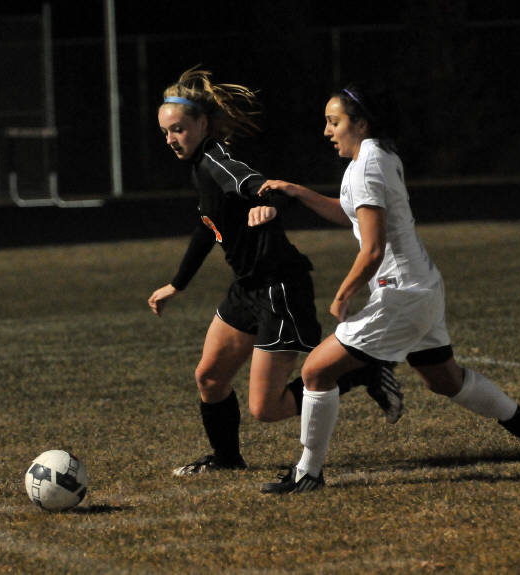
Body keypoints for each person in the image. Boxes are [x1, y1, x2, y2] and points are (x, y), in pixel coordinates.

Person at [256, 82, 520, 493]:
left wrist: (343, 294)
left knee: (316, 370)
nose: (327, 131)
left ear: (361, 124)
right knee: (444, 379)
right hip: (420, 287)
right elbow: (352, 215)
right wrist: (297, 191)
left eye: (334, 122)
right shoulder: (375, 156)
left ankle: (307, 472)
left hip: (401, 294)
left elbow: (373, 248)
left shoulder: (368, 165)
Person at [148, 67, 403, 477]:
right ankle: (226, 458)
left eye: (178, 129)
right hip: (247, 286)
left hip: (277, 287)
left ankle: (363, 371)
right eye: (165, 132)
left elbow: (258, 184)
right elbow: (207, 226)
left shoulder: (217, 161)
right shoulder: (199, 166)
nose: (171, 139)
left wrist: (266, 203)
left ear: (203, 124)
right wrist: (176, 285)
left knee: (266, 408)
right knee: (209, 378)